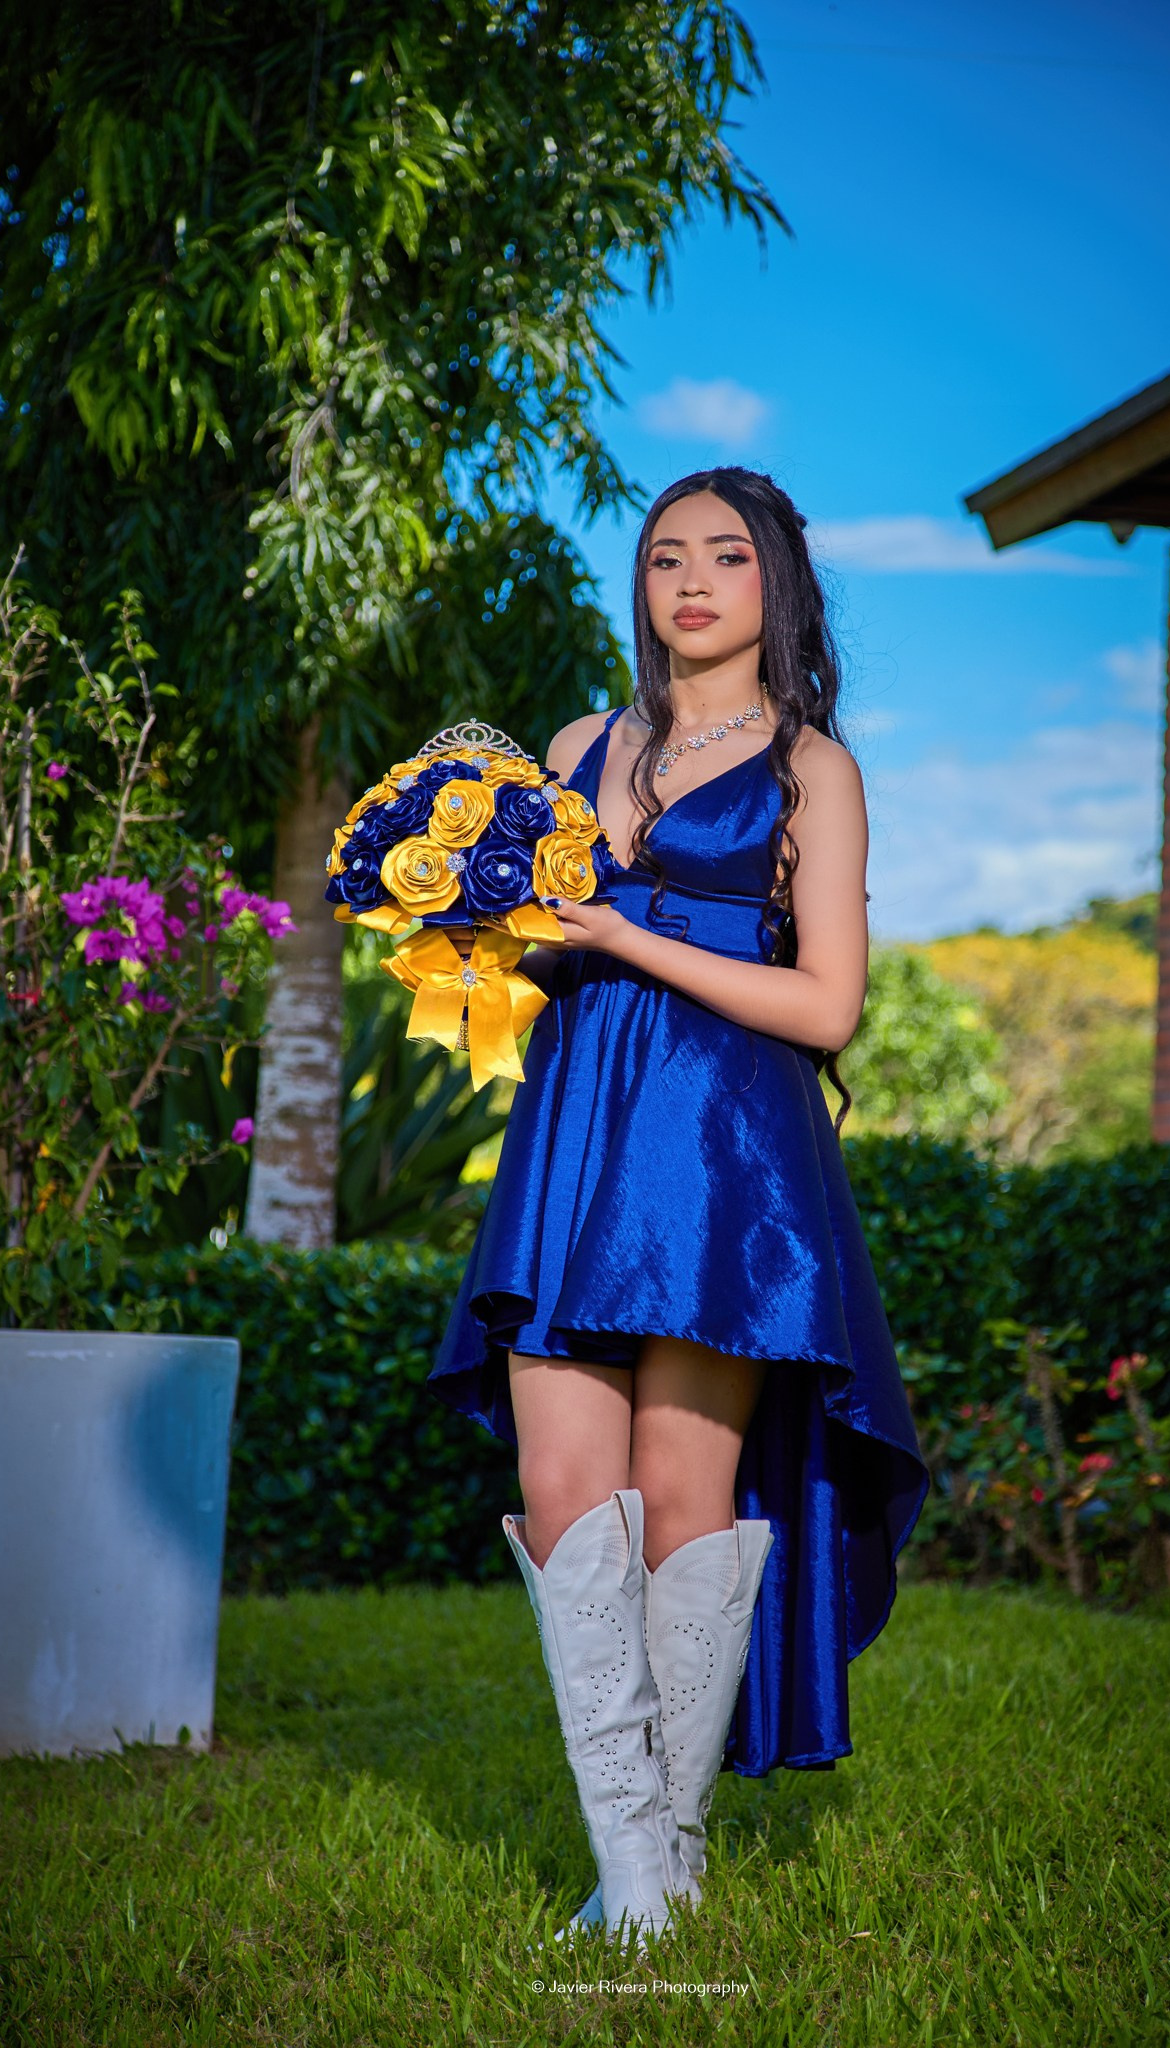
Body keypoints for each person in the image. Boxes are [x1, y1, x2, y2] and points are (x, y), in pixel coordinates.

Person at [428, 466, 929, 1948]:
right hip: (578, 1131)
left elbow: (827, 1006)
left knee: (680, 1490)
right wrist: (466, 929)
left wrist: (623, 934)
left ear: (778, 580)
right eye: (664, 559)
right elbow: (545, 955)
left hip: (721, 1153)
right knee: (564, 1487)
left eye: (725, 555)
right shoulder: (579, 745)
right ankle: (641, 1867)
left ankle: (659, 1866)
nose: (692, 582)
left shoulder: (813, 767)